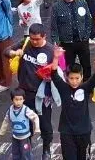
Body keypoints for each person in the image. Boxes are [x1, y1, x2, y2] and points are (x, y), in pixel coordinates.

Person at [9, 23, 57, 159]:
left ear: (44, 36)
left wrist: (50, 75)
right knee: (26, 122)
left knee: (45, 124)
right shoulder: (25, 43)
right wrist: (14, 52)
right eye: (32, 38)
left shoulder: (50, 50)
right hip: (25, 93)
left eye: (37, 39)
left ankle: (46, 149)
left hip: (43, 94)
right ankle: (26, 147)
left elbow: (59, 71)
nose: (34, 42)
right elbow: (7, 51)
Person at [52, 64, 95, 160]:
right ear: (66, 77)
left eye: (77, 78)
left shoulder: (85, 88)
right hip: (67, 132)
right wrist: (56, 58)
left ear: (82, 77)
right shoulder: (63, 88)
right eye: (71, 78)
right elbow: (54, 75)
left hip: (84, 131)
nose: (74, 81)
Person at [50, 0, 95, 78]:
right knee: (68, 68)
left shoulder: (82, 2)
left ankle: (87, 84)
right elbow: (54, 26)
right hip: (66, 43)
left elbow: (88, 20)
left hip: (82, 41)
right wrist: (56, 42)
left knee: (86, 66)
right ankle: (70, 85)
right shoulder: (56, 6)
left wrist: (86, 36)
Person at [0, 89, 40, 160]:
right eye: (16, 99)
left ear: (24, 99)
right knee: (15, 153)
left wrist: (37, 128)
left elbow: (35, 117)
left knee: (26, 153)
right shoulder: (10, 110)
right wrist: (2, 131)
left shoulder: (25, 110)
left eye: (20, 99)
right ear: (12, 100)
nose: (18, 102)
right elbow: (6, 120)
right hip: (15, 137)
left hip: (25, 138)